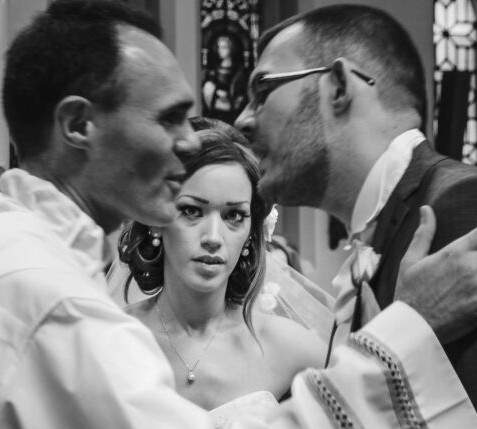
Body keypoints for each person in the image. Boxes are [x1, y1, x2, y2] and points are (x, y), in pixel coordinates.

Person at [0, 0, 477, 429]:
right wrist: (404, 338)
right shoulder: (39, 295)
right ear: (79, 124)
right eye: (170, 117)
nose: (193, 141)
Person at [234, 4, 477, 429]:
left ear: (339, 87)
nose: (242, 119)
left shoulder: (466, 210)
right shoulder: (383, 232)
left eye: (262, 90)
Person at [118, 116, 325, 413]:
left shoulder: (293, 350)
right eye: (191, 211)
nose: (214, 238)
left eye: (234, 216)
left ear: (252, 231)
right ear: (156, 220)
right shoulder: (113, 340)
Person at [202, 34, 248, 123]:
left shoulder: (239, 72)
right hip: (216, 113)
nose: (220, 51)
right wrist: (216, 92)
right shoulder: (213, 71)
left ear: (231, 48)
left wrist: (230, 97)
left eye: (224, 47)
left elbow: (242, 94)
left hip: (232, 113)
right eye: (219, 47)